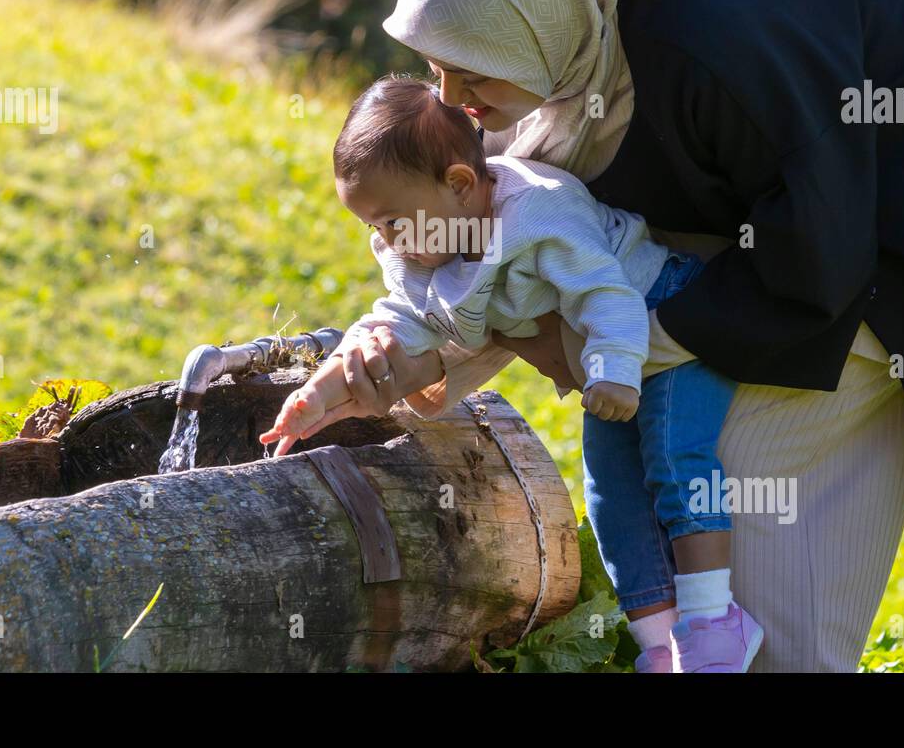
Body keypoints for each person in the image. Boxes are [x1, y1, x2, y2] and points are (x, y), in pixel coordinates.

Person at [286, 0, 904, 671]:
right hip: (800, 220)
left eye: (471, 68)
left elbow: (816, 254)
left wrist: (626, 344)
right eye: (436, 67)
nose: (452, 98)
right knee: (672, 456)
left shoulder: (723, 34)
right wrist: (395, 364)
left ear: (541, 17)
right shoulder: (579, 30)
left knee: (734, 489)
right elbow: (513, 246)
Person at [261, 75, 761, 671]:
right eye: (373, 227)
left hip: (663, 319)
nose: (385, 241)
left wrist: (613, 368)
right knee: (611, 494)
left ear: (460, 185)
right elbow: (398, 323)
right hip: (604, 363)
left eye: (392, 221)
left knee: (677, 460)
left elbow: (606, 291)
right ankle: (662, 645)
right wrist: (319, 393)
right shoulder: (423, 248)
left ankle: (714, 623)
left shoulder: (538, 211)